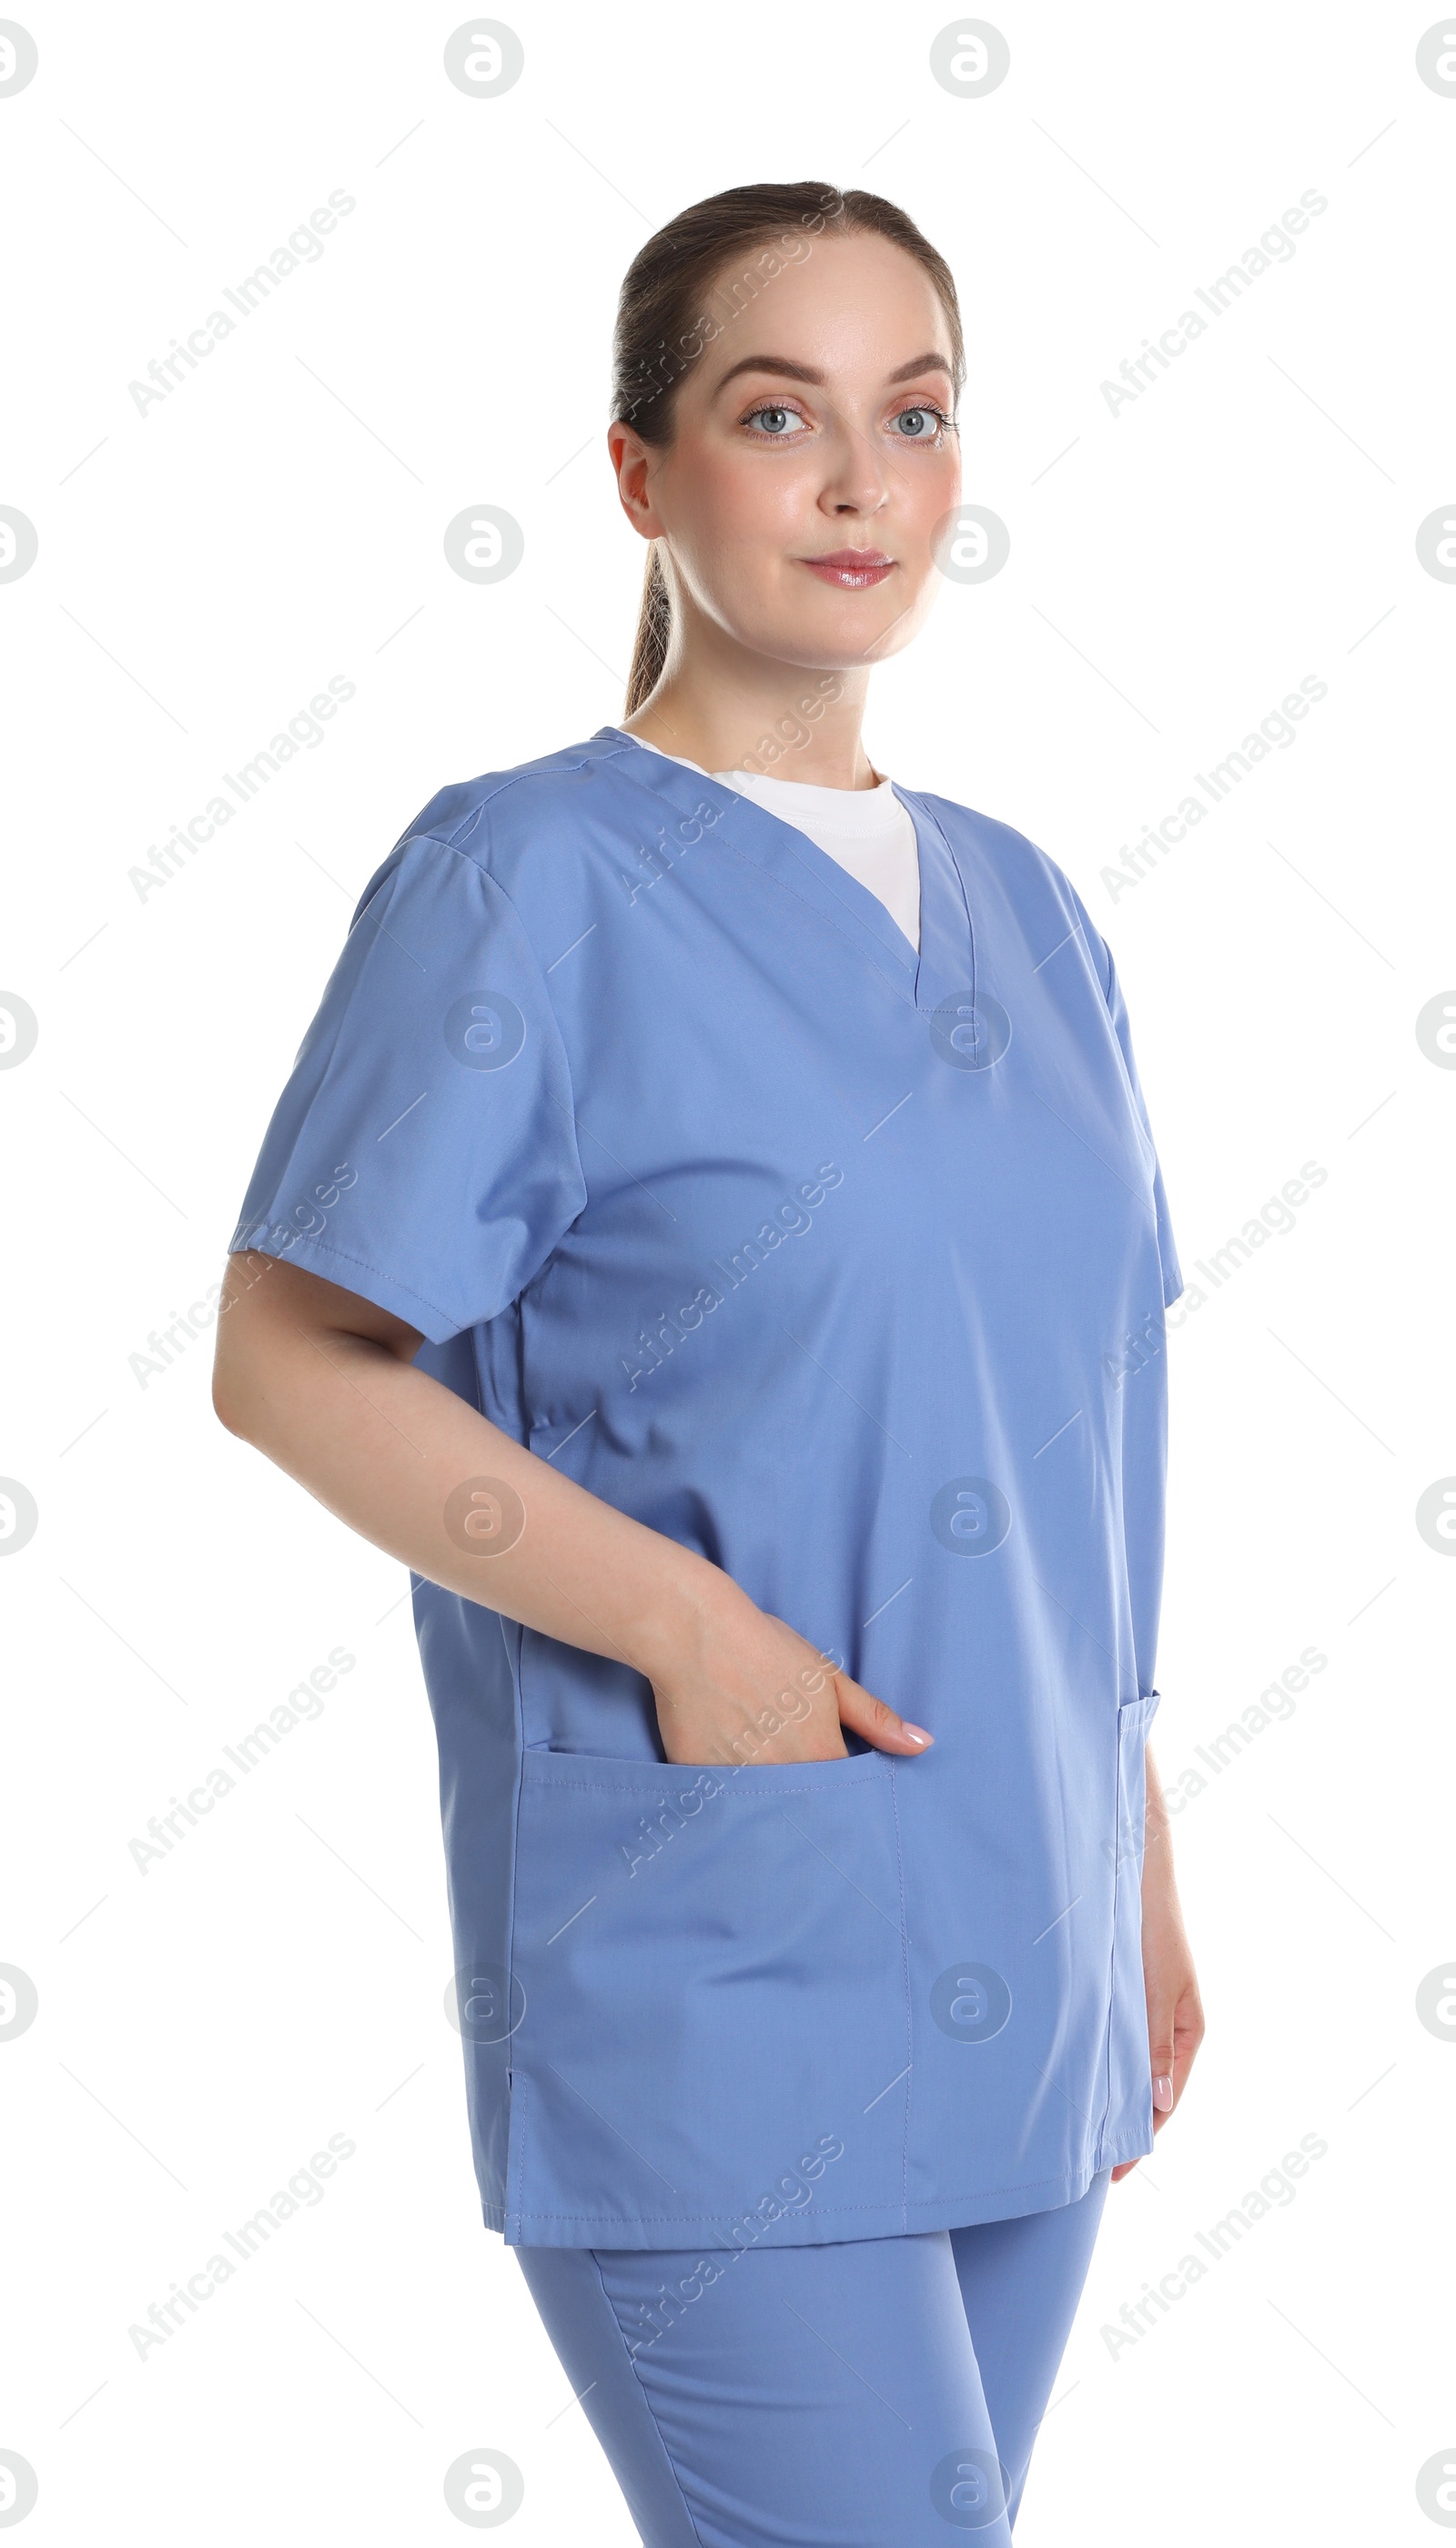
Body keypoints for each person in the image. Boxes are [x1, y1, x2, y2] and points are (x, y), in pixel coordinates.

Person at [213, 181, 1204, 2547]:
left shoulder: (1037, 916)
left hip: (1026, 1940)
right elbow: (289, 1354)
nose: (863, 482)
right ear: (648, 474)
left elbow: (1070, 1438)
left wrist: (1131, 1851)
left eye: (917, 414)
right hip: (720, 1961)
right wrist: (698, 1637)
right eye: (783, 415)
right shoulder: (527, 883)